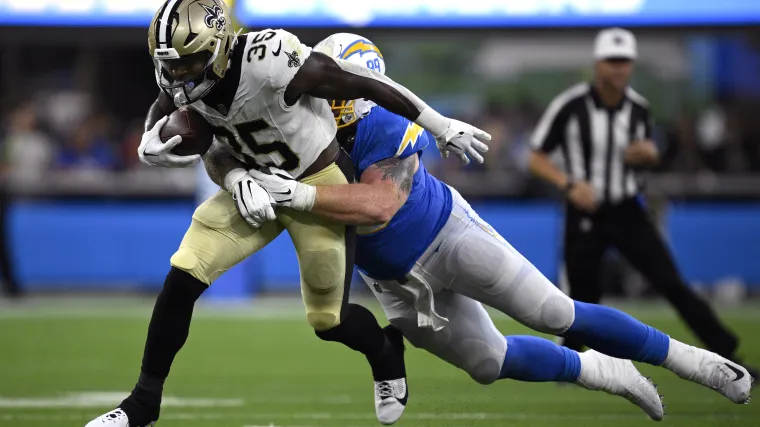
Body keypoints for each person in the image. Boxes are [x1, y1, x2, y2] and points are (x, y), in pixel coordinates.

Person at [205, 32, 753, 422]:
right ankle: (607, 375)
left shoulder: (385, 119)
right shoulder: (284, 119)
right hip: (394, 283)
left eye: (352, 90)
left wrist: (297, 192)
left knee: (555, 313)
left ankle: (695, 361)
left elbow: (378, 206)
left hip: (446, 236)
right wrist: (228, 174)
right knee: (489, 365)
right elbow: (219, 145)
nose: (339, 101)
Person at [85, 1, 489, 426]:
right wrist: (160, 141)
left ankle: (386, 352)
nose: (180, 77)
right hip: (254, 185)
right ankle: (143, 404)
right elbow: (171, 104)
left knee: (329, 320)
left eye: (191, 64)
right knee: (184, 275)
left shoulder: (271, 60)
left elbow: (368, 83)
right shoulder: (186, 72)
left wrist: (440, 124)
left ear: (220, 48)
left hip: (317, 181)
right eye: (172, 66)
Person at [527, 27, 757, 379]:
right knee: (582, 292)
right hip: (585, 208)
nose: (619, 68)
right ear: (598, 64)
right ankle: (569, 364)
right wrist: (569, 184)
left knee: (671, 282)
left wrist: (650, 155)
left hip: (625, 208)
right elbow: (536, 156)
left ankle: (728, 354)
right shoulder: (571, 106)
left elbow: (646, 152)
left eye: (625, 62)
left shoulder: (638, 108)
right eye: (612, 61)